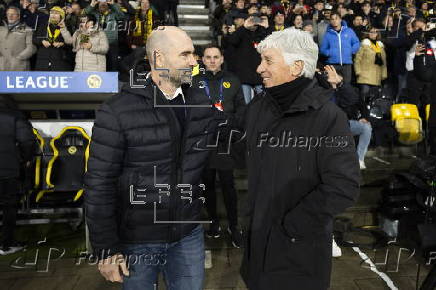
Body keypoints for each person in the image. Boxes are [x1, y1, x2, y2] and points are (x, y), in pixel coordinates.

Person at [84, 26, 218, 290]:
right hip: (137, 240)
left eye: (194, 54)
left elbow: (233, 137)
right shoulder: (117, 111)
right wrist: (106, 248)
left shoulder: (201, 103)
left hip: (187, 234)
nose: (194, 62)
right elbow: (99, 183)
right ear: (159, 58)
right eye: (186, 54)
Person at [240, 28, 360, 290]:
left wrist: (291, 228)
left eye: (268, 60)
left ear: (296, 67)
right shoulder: (258, 107)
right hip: (257, 250)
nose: (259, 68)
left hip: (299, 255)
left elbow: (343, 185)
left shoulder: (329, 117)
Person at [192, 44, 246, 247]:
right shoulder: (195, 82)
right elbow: (191, 110)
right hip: (205, 140)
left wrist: (229, 122)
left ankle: (233, 225)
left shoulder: (232, 80)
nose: (212, 60)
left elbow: (242, 108)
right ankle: (213, 222)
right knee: (207, 184)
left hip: (225, 140)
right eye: (208, 57)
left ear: (222, 59)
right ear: (202, 60)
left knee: (228, 185)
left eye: (216, 57)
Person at [0, 95, 36, 255]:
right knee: (9, 207)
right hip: (8, 168)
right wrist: (25, 159)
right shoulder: (15, 116)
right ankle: (5, 244)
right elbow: (27, 140)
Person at [326, 65, 372, 169]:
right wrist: (333, 88)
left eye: (337, 77)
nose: (334, 78)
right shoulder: (325, 91)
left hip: (348, 123)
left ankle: (359, 159)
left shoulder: (351, 90)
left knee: (366, 127)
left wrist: (365, 117)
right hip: (331, 126)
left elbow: (361, 105)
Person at [226, 14, 270, 104]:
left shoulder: (263, 33)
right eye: (252, 20)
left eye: (256, 21)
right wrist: (244, 26)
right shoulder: (242, 33)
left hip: (260, 76)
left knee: (264, 103)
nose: (253, 23)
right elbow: (232, 41)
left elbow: (273, 45)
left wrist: (267, 28)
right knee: (245, 104)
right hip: (244, 76)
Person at [84, 0, 127, 71]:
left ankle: (113, 81)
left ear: (108, 4)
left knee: (113, 65)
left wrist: (113, 4)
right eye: (101, 3)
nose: (103, 4)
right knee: (99, 65)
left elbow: (122, 16)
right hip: (98, 44)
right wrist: (91, 5)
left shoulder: (113, 13)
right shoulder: (94, 14)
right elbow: (84, 15)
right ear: (97, 4)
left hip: (111, 43)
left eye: (105, 3)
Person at [320, 11, 360, 84]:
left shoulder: (349, 31)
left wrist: (351, 51)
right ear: (330, 21)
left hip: (347, 64)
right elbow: (323, 49)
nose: (334, 21)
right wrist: (330, 53)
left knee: (346, 86)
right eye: (332, 19)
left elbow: (356, 43)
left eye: (336, 18)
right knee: (333, 87)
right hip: (333, 65)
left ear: (340, 19)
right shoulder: (328, 34)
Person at [33, 6, 73, 71]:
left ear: (61, 16)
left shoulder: (67, 27)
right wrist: (41, 41)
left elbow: (71, 43)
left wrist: (62, 44)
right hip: (43, 62)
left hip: (60, 63)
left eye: (56, 13)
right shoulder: (43, 25)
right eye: (51, 13)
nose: (53, 15)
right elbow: (34, 38)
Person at [354, 27, 387, 101]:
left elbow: (384, 62)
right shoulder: (364, 44)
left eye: (375, 32)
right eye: (371, 32)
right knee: (364, 96)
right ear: (368, 33)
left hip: (377, 76)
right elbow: (357, 59)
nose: (373, 33)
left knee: (374, 98)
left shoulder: (380, 46)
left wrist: (384, 74)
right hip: (364, 75)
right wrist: (358, 71)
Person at [0, 6, 35, 71]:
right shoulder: (1, 30)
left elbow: (31, 48)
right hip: (2, 67)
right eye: (8, 14)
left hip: (19, 67)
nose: (10, 16)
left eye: (13, 14)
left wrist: (18, 58)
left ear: (18, 16)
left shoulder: (27, 30)